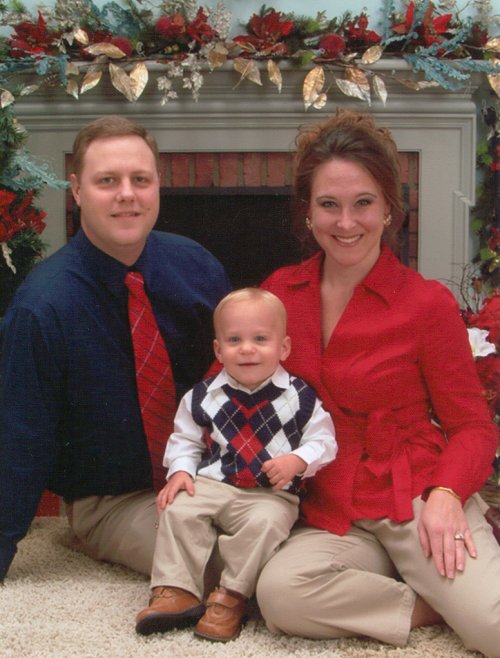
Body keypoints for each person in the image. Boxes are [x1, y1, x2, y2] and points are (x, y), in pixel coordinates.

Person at [255, 110, 500, 658]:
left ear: (389, 208)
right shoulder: (280, 292)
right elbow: (231, 385)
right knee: (281, 595)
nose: (346, 222)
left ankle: (448, 588)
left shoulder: (426, 303)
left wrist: (447, 495)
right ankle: (426, 603)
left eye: (363, 203)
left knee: (493, 627)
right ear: (308, 211)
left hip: (415, 494)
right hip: (331, 507)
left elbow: (473, 427)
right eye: (329, 205)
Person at [0, 115, 231, 584]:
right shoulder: (43, 306)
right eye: (107, 181)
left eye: (140, 180)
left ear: (158, 184)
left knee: (286, 538)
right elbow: (21, 434)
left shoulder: (197, 266)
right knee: (224, 562)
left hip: (209, 477)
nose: (127, 194)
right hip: (113, 499)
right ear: (77, 190)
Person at [135, 288, 337, 642]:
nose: (246, 349)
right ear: (218, 350)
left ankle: (231, 596)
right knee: (178, 508)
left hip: (269, 495)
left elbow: (324, 441)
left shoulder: (300, 397)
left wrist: (297, 460)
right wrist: (180, 471)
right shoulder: (203, 395)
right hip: (214, 483)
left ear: (284, 347)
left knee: (266, 523)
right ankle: (176, 590)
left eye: (260, 339)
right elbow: (185, 439)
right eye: (234, 340)